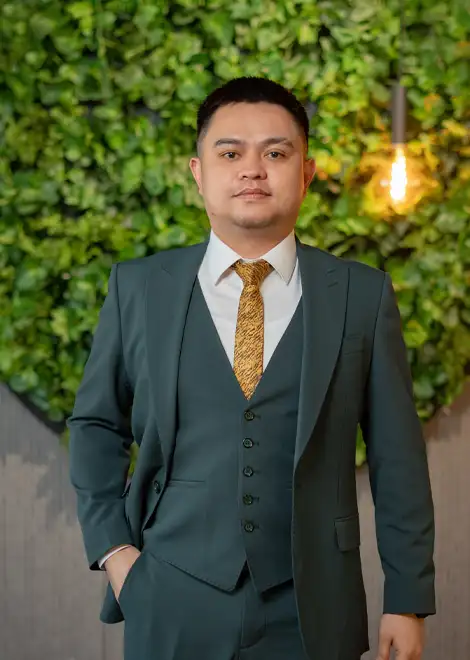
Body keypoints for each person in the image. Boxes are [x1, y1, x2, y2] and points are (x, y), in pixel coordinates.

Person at [67, 76, 435, 660]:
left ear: (307, 173)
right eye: (230, 153)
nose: (253, 170)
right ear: (198, 172)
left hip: (313, 606)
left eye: (276, 154)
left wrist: (407, 600)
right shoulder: (139, 288)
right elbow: (95, 425)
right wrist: (116, 556)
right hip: (168, 595)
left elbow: (398, 458)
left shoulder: (361, 296)